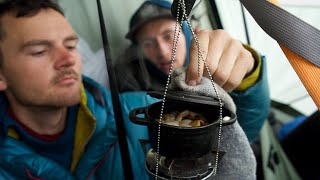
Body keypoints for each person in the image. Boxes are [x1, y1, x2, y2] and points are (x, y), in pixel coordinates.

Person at [0, 0, 257, 179]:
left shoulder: (142, 111)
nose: (68, 59)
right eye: (40, 51)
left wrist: (249, 75)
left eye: (70, 46)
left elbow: (229, 142)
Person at [115, 0, 270, 142]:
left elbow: (247, 126)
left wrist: (249, 76)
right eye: (148, 43)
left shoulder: (212, 67)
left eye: (168, 36)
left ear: (188, 34)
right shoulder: (132, 83)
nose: (161, 51)